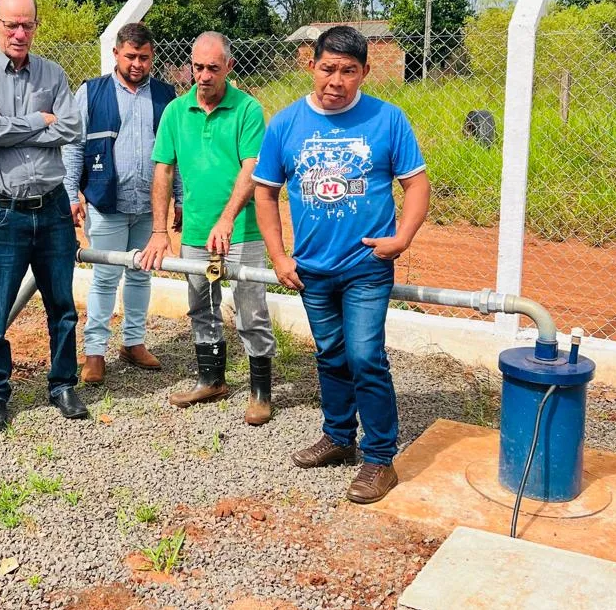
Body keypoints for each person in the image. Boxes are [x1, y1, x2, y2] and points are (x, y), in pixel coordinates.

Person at [252, 26, 430, 503]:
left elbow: (416, 184)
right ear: (309, 65)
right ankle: (337, 437)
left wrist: (403, 237)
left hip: (367, 265)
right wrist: (278, 255)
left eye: (349, 71)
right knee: (329, 354)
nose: (336, 80)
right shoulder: (285, 125)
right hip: (311, 268)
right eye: (328, 68)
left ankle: (378, 459)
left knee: (365, 357)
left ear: (365, 73)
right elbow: (265, 193)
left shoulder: (388, 120)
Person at [0, 0, 84, 429]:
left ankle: (63, 383)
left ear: (36, 27)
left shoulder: (52, 73)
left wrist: (32, 127)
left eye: (27, 24)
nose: (19, 32)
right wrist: (38, 120)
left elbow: (71, 126)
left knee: (62, 304)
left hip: (51, 208)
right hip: (2, 211)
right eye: (11, 24)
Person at [141, 31, 276, 426]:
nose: (203, 76)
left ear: (228, 68)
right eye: (197, 67)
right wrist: (160, 230)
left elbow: (252, 168)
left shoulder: (248, 110)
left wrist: (228, 217)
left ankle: (260, 392)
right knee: (202, 305)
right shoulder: (175, 112)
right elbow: (163, 170)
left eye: (212, 68)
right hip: (197, 231)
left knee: (251, 308)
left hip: (242, 229)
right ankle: (211, 380)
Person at [62, 22, 183, 384]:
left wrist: (179, 197)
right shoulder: (91, 93)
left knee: (140, 275)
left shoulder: (166, 96)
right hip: (105, 203)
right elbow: (73, 145)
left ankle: (133, 342)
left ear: (152, 57)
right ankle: (95, 351)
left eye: (144, 58)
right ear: (116, 54)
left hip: (150, 209)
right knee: (104, 278)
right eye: (130, 56)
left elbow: (173, 154)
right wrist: (70, 194)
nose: (137, 64)